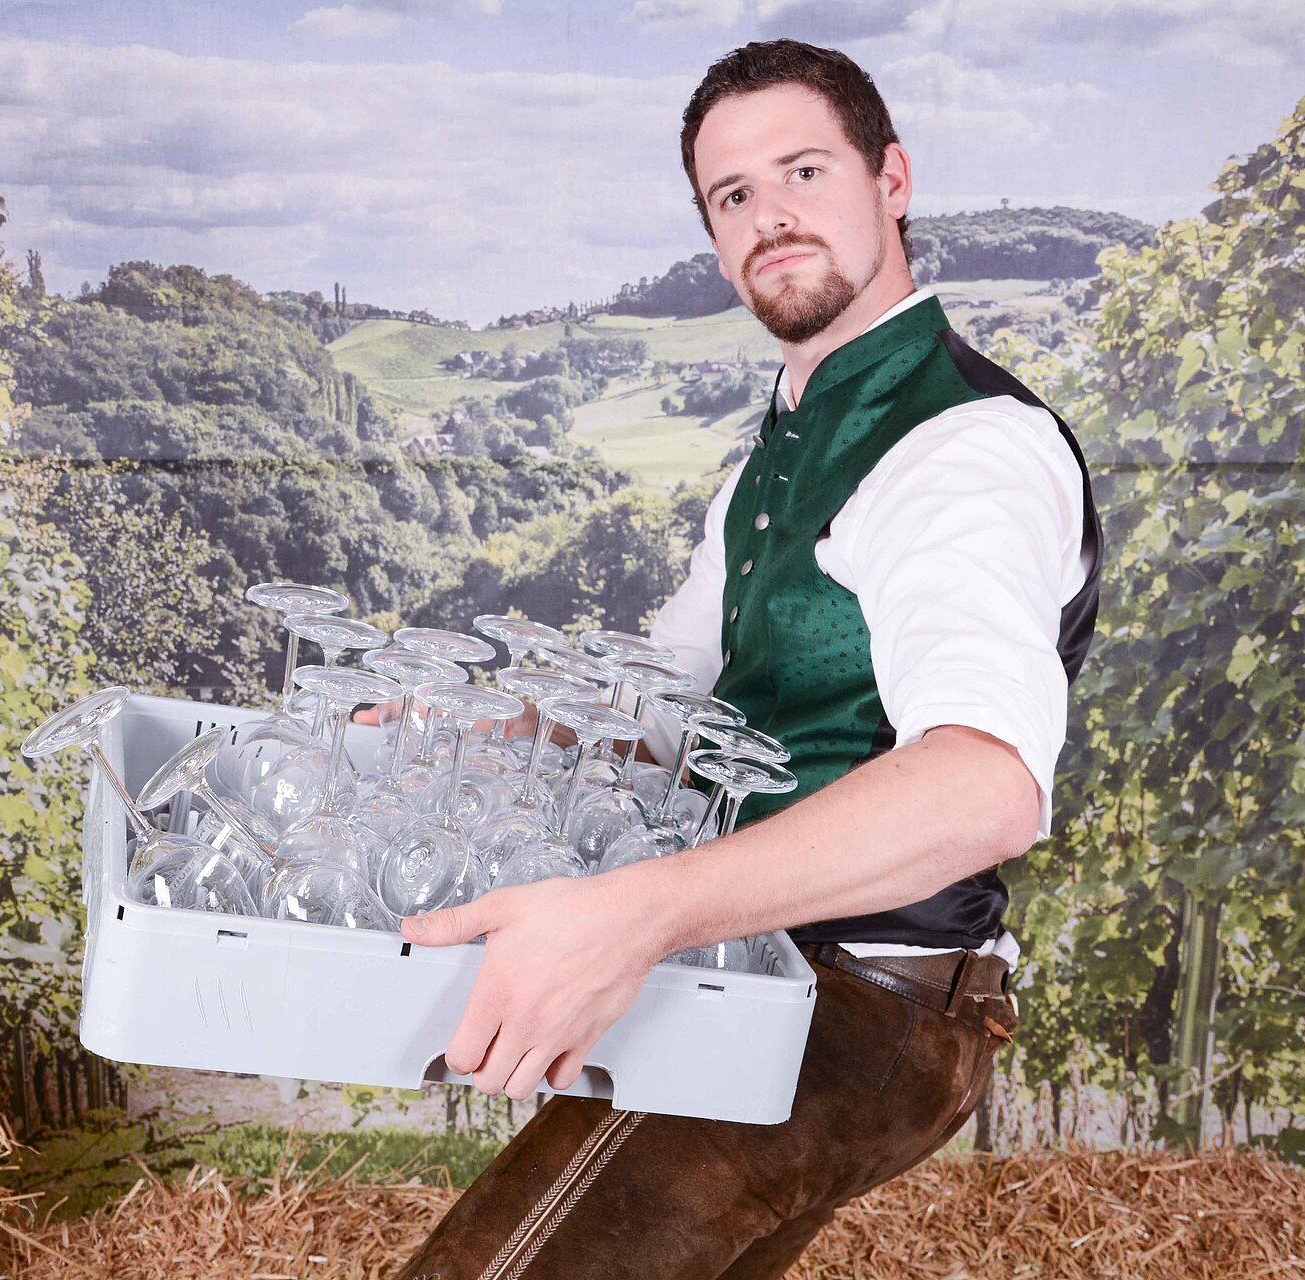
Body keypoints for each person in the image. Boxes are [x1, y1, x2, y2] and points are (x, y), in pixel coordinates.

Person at [391, 38, 1101, 1280]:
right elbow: (673, 695)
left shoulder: (967, 448)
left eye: (804, 171)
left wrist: (631, 916)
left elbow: (986, 783)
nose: (770, 215)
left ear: (892, 180)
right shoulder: (779, 444)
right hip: (768, 970)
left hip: (864, 999)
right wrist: (483, 729)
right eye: (732, 194)